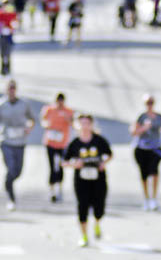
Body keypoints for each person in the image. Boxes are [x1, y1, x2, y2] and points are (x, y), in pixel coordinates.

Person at [0, 79, 36, 211]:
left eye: (13, 88)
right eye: (9, 88)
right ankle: (11, 196)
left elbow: (32, 119)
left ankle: (9, 182)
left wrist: (29, 128)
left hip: (20, 141)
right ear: (6, 90)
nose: (11, 90)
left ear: (16, 89)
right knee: (11, 168)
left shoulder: (24, 104)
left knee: (18, 171)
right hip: (5, 140)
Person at [62, 114, 112, 247]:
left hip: (98, 179)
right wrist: (74, 164)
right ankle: (84, 236)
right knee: (82, 206)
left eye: (87, 123)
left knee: (99, 206)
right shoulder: (75, 143)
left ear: (91, 125)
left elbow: (109, 154)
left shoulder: (99, 140)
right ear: (77, 125)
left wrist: (103, 163)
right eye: (82, 123)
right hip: (81, 180)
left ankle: (97, 223)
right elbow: (64, 162)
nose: (85, 126)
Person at [130, 94, 161, 211]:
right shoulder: (141, 117)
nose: (149, 105)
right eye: (147, 103)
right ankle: (146, 198)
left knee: (155, 173)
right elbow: (134, 132)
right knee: (144, 174)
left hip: (155, 148)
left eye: (151, 102)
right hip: (142, 148)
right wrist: (144, 128)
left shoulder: (159, 116)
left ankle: (154, 198)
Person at [40, 93, 74, 202]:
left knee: (60, 166)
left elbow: (72, 123)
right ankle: (51, 190)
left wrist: (66, 117)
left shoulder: (68, 111)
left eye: (61, 101)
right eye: (58, 101)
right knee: (51, 166)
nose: (59, 103)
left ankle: (59, 188)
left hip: (62, 143)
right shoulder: (49, 109)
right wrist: (46, 125)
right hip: (50, 141)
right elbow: (43, 120)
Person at [0, 0, 17, 75]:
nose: (5, 5)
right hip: (1, 35)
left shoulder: (11, 13)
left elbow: (15, 22)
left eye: (6, 3)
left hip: (9, 35)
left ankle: (8, 68)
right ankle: (3, 69)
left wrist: (12, 28)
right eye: (4, 3)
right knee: (2, 53)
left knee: (8, 52)